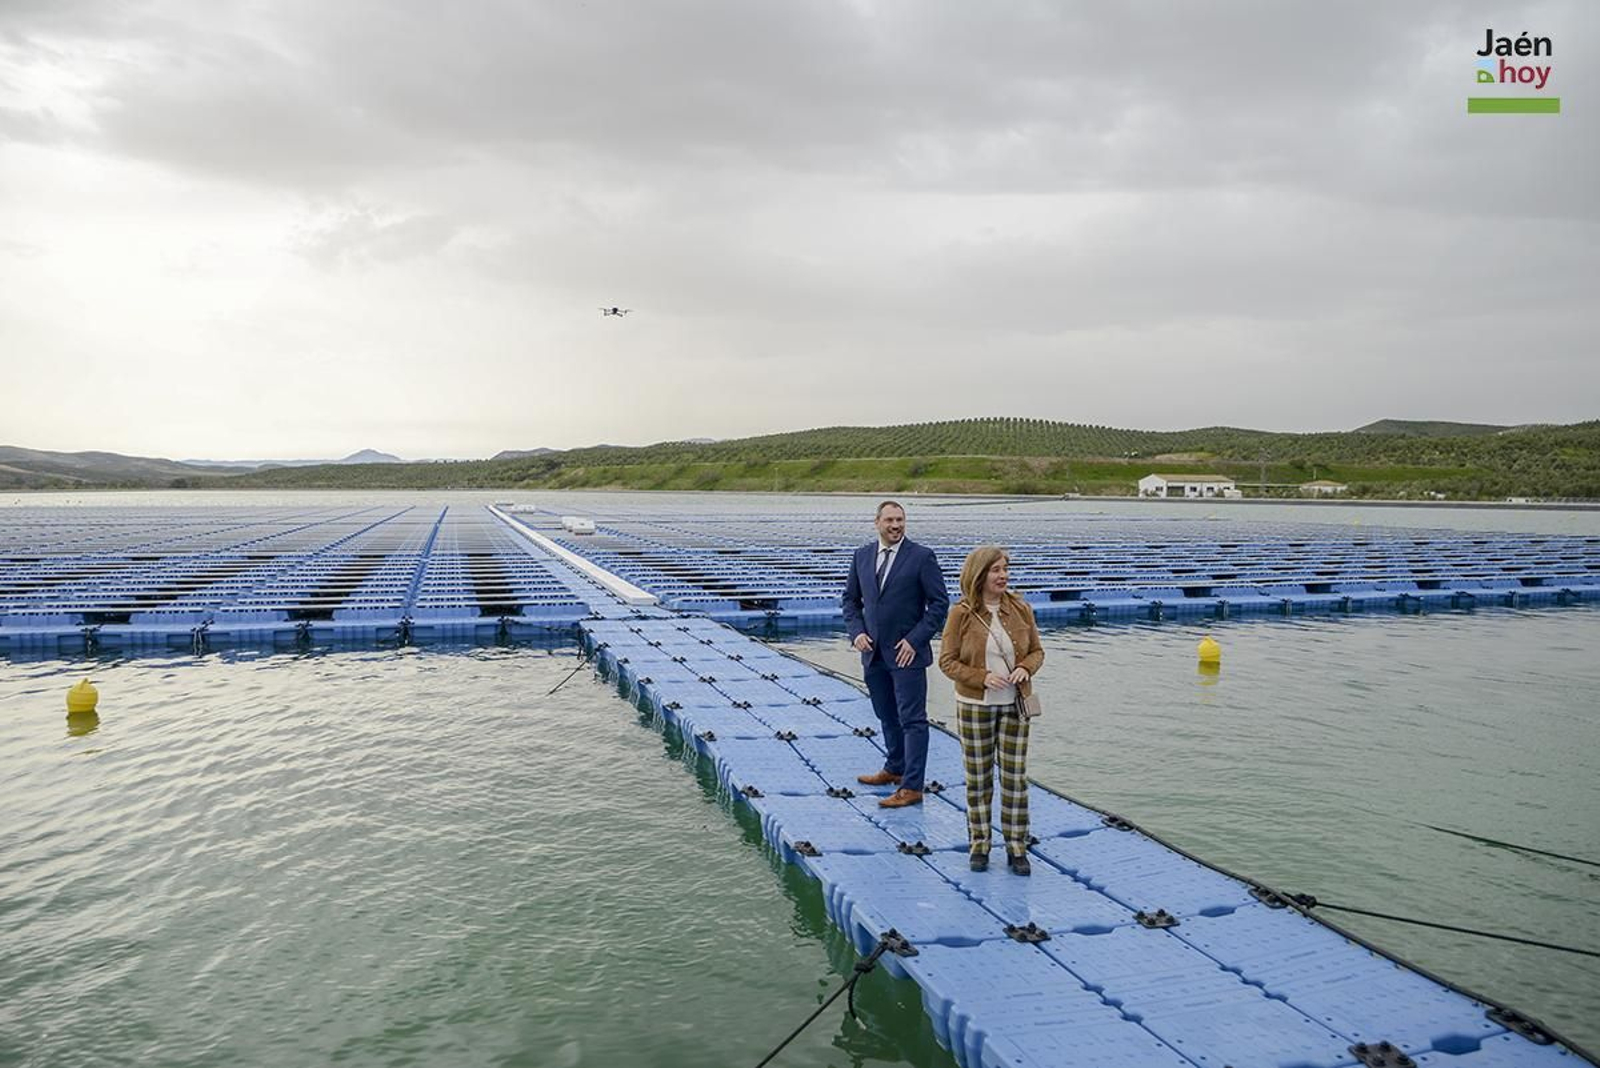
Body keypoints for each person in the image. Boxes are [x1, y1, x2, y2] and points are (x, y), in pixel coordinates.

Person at [938, 545, 1044, 875]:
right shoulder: (962, 613)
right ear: (980, 574)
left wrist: (1026, 668)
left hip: (1015, 705)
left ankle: (1016, 847)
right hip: (974, 707)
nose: (1004, 575)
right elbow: (947, 662)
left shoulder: (1020, 608)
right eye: (996, 570)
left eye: (1005, 569)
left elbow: (1038, 652)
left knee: (1014, 778)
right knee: (979, 779)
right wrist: (981, 677)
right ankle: (980, 844)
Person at [841, 501, 949, 808]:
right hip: (873, 653)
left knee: (912, 719)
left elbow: (939, 604)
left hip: (906, 655)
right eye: (889, 520)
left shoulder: (921, 557)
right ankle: (894, 767)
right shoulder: (861, 556)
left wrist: (914, 641)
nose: (895, 525)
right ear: (876, 522)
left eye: (900, 520)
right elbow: (850, 600)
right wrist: (857, 632)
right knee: (885, 714)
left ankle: (912, 786)